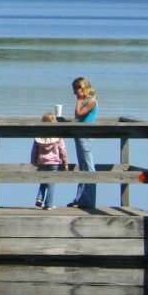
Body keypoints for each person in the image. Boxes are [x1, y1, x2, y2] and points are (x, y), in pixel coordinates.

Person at [68, 77, 99, 208]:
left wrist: (79, 100)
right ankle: (80, 199)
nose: (74, 93)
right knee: (82, 167)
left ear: (83, 88)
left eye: (76, 89)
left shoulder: (91, 101)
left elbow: (79, 114)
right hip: (79, 135)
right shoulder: (85, 100)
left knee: (88, 167)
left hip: (85, 136)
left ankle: (90, 201)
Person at [31, 113, 70, 209]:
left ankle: (39, 198)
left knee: (43, 180)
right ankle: (48, 204)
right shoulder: (57, 136)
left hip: (42, 161)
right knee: (51, 183)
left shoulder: (39, 136)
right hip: (54, 163)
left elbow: (34, 150)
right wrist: (65, 163)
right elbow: (63, 150)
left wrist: (33, 161)